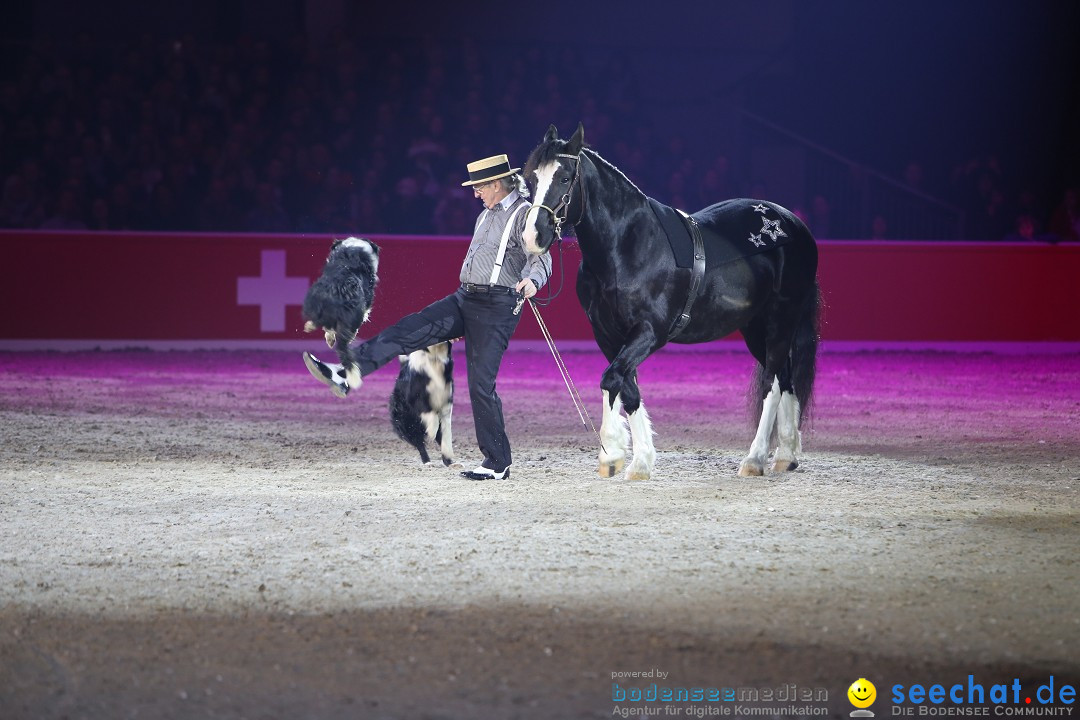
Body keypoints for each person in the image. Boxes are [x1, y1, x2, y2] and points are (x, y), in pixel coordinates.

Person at [303, 154, 551, 481]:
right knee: (408, 330)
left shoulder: (526, 215)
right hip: (465, 298)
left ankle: (497, 463)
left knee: (480, 384)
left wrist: (533, 281)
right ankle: (347, 372)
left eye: (479, 187)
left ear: (495, 184)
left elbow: (540, 257)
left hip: (496, 308)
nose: (475, 193)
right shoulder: (484, 216)